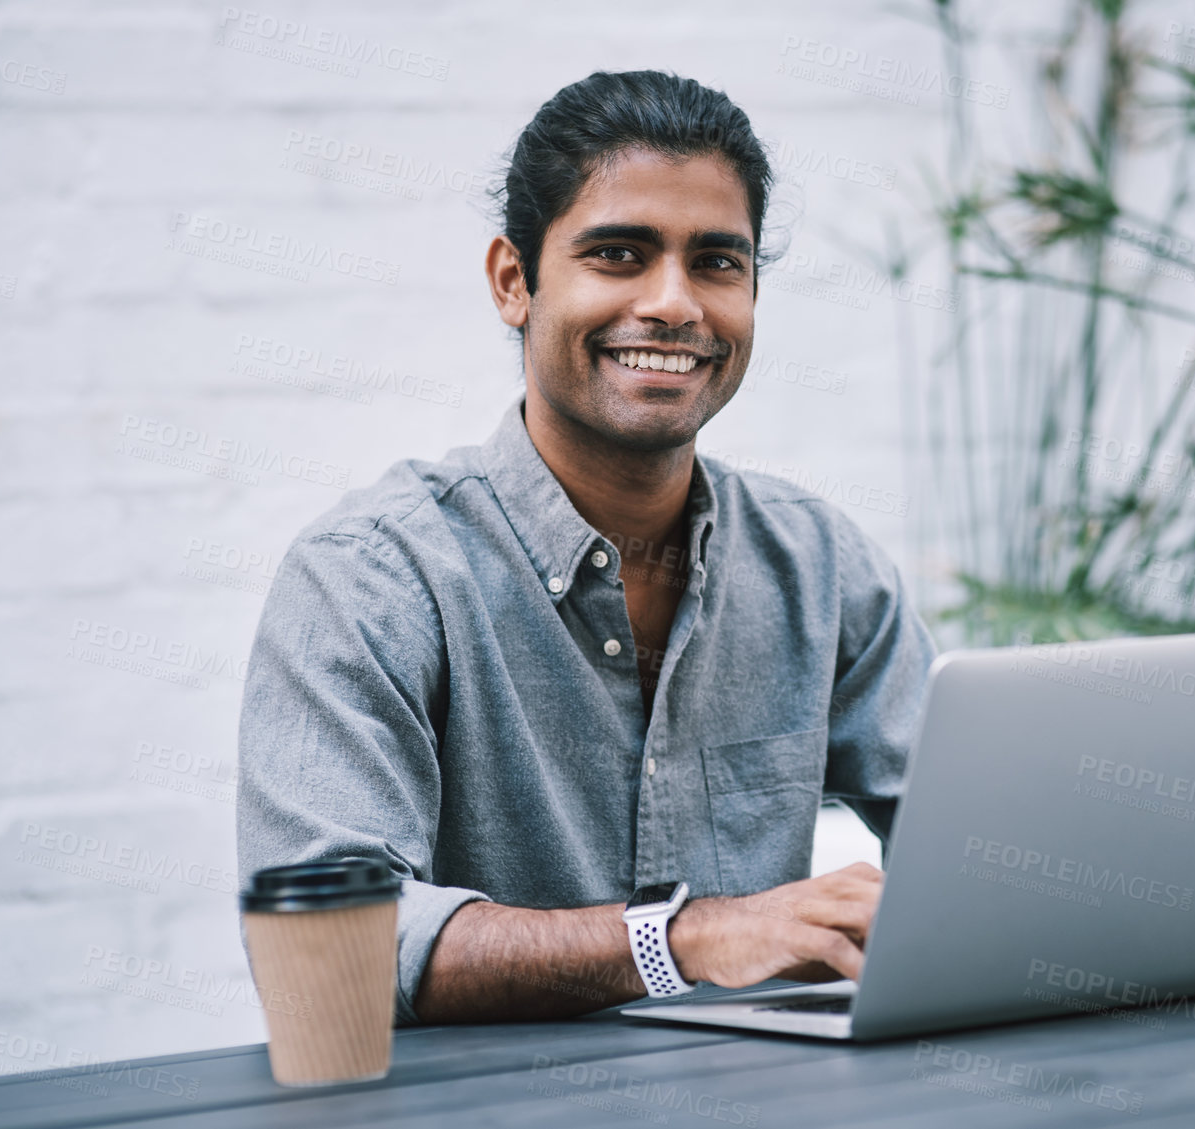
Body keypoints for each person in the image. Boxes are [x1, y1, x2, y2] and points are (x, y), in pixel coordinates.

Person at [236, 70, 936, 1025]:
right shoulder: (371, 578)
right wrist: (682, 937)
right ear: (513, 282)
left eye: (718, 263)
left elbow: (982, 859)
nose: (675, 304)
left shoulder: (819, 567)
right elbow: (325, 955)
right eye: (618, 254)